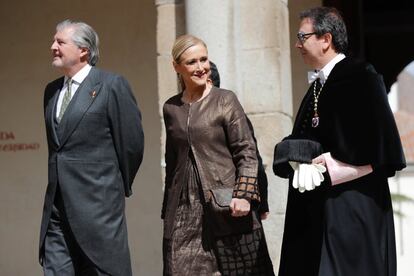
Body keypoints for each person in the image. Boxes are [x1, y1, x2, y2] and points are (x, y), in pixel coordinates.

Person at [273, 7, 406, 276]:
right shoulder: (317, 86)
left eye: (303, 36)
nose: (297, 43)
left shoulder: (361, 75)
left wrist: (328, 165)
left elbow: (381, 147)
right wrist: (294, 157)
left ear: (326, 39)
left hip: (352, 208)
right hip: (317, 211)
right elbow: (306, 137)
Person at [39, 20, 144, 276]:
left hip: (98, 207)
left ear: (83, 50)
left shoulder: (111, 85)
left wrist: (112, 187)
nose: (53, 46)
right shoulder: (51, 91)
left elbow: (131, 145)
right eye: (54, 41)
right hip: (56, 206)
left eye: (60, 42)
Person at [162, 34, 274, 275]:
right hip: (184, 212)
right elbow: (172, 162)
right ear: (176, 67)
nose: (201, 67)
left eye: (204, 59)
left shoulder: (225, 100)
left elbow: (247, 150)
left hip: (227, 206)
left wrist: (244, 194)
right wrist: (168, 210)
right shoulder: (171, 108)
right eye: (192, 62)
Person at [208, 61, 270, 219]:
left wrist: (261, 202)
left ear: (209, 81)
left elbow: (250, 155)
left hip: (233, 202)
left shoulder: (230, 111)